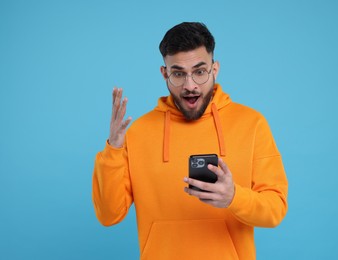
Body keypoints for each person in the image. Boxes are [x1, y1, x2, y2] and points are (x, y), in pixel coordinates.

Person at [92, 22, 288, 260]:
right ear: (165, 73)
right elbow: (108, 215)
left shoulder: (252, 123)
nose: (190, 85)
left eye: (199, 71)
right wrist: (113, 149)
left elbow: (275, 209)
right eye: (178, 73)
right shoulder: (138, 132)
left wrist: (234, 197)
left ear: (215, 70)